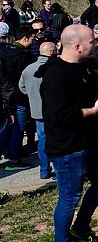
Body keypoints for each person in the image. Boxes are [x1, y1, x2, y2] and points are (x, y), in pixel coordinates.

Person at [39, 24, 98, 242]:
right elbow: (59, 115)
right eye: (93, 40)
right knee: (70, 196)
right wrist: (94, 111)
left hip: (89, 141)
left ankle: (80, 228)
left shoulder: (85, 68)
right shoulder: (55, 74)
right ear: (78, 46)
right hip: (67, 147)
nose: (97, 43)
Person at [18, 42, 57, 179]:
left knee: (42, 140)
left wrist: (33, 96)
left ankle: (44, 170)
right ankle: (58, 169)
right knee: (57, 140)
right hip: (54, 111)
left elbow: (22, 88)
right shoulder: (55, 68)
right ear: (52, 51)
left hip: (36, 110)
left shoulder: (28, 69)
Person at [0, 24, 35, 171]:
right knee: (17, 128)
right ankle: (13, 160)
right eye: (32, 38)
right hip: (17, 97)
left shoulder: (4, 50)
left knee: (8, 127)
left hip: (6, 95)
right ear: (25, 38)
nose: (34, 41)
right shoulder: (22, 56)